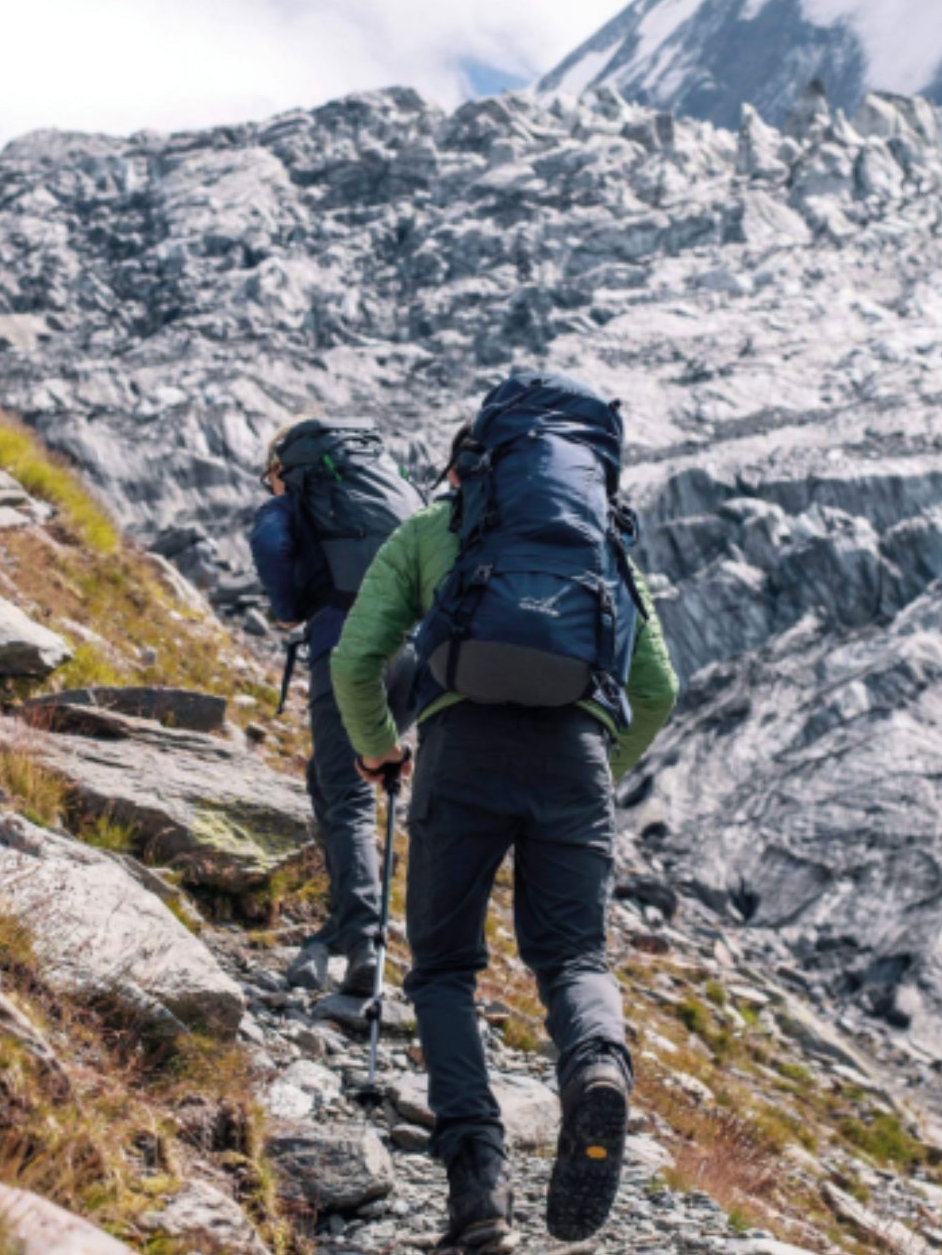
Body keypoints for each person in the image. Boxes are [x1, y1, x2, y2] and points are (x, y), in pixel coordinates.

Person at [332, 373, 679, 1253]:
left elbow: (355, 660)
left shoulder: (431, 530)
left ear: (468, 468)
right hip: (575, 760)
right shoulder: (602, 544)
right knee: (572, 955)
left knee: (444, 971)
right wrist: (603, 762)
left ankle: (479, 1197)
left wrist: (379, 749)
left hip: (461, 757)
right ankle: (597, 1066)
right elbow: (659, 688)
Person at [251, 417, 418, 997]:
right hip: (415, 654)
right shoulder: (380, 489)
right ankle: (348, 915)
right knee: (336, 779)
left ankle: (366, 942)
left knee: (345, 794)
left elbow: (270, 541)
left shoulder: (294, 497)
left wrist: (287, 607)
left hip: (349, 649)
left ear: (280, 467)